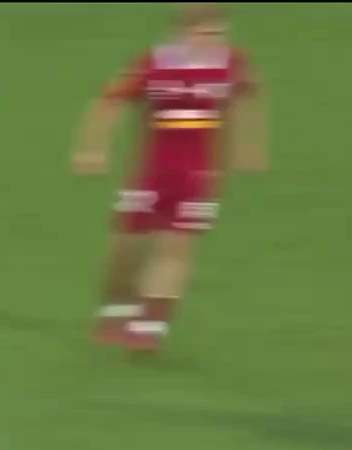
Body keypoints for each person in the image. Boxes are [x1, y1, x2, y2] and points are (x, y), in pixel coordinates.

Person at [71, 2, 267, 352]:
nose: (213, 40)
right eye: (205, 33)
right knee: (127, 247)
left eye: (219, 33)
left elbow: (248, 98)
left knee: (177, 246)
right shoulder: (155, 63)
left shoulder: (231, 63)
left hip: (198, 175)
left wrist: (249, 146)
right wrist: (92, 149)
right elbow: (109, 102)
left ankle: (151, 325)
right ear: (183, 33)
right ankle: (116, 310)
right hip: (149, 174)